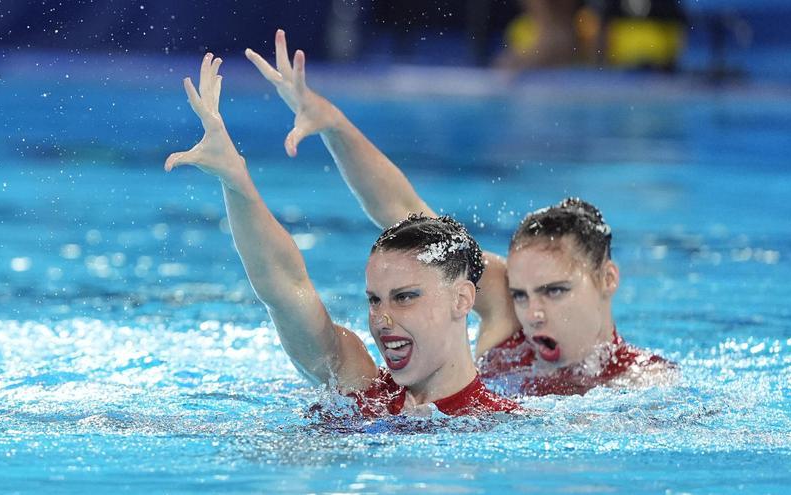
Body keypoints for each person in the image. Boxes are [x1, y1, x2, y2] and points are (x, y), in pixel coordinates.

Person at [245, 30, 676, 396]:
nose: (533, 313)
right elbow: (403, 211)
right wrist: (335, 124)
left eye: (555, 291)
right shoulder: (507, 316)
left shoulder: (642, 383)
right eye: (522, 294)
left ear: (607, 280)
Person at [164, 52, 522, 418]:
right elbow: (286, 289)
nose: (381, 319)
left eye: (404, 297)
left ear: (462, 300)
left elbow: (400, 204)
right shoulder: (360, 388)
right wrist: (236, 181)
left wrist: (334, 123)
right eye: (374, 300)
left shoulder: (505, 423)